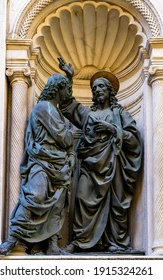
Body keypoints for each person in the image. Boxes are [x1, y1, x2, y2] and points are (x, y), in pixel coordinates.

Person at [58, 59, 142, 253]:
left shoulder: (119, 114)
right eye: (94, 88)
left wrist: (112, 129)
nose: (97, 91)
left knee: (116, 205)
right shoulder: (88, 115)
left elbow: (134, 139)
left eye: (101, 87)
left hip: (113, 165)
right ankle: (80, 241)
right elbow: (67, 105)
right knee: (81, 198)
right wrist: (69, 78)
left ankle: (114, 242)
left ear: (109, 90)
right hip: (89, 164)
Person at [0, 73, 76, 255]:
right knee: (35, 195)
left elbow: (65, 137)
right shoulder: (43, 107)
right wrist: (70, 134)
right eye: (66, 89)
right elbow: (64, 137)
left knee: (57, 203)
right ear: (57, 89)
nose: (69, 93)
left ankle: (52, 244)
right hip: (42, 160)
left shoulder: (57, 113)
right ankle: (12, 239)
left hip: (59, 164)